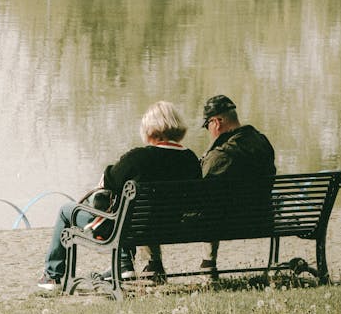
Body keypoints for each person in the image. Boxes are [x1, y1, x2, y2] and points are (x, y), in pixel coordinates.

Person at [37, 101, 201, 290]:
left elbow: (107, 184)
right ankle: (124, 264)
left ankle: (52, 275)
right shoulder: (190, 159)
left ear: (150, 129)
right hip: (171, 226)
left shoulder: (138, 158)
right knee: (136, 212)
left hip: (129, 229)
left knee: (67, 210)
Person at [199, 94, 276, 270]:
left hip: (226, 223)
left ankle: (208, 262)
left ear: (216, 122)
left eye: (207, 126)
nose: (209, 132)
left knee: (209, 204)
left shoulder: (221, 155)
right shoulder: (263, 142)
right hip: (263, 218)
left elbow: (200, 188)